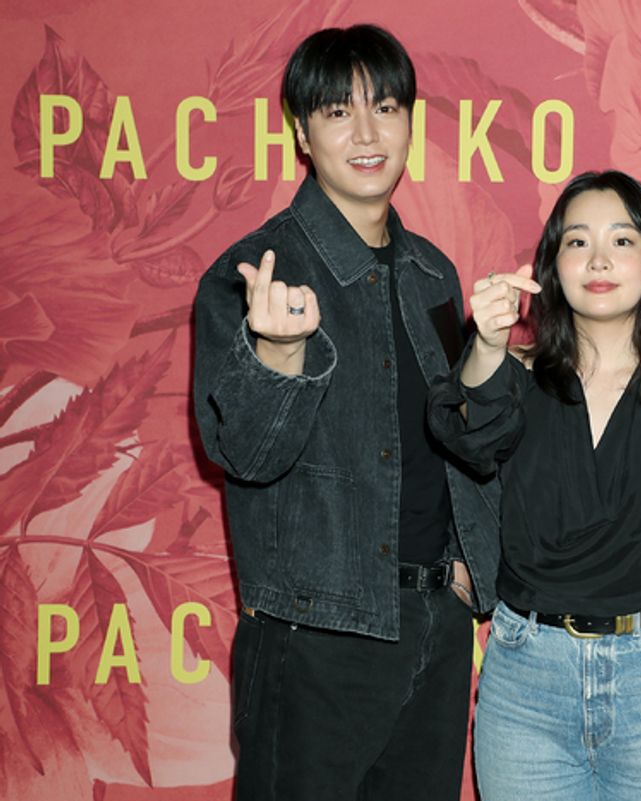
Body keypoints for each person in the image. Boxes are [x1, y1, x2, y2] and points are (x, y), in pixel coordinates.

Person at [192, 25, 498, 801]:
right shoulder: (253, 275)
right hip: (315, 637)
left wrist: (466, 559)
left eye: (386, 107)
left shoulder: (435, 272)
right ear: (301, 130)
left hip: (434, 626)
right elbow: (244, 455)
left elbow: (451, 435)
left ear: (410, 123)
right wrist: (281, 356)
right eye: (337, 112)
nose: (367, 134)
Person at [427, 170, 641, 801]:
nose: (597, 259)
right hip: (528, 675)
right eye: (576, 241)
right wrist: (484, 345)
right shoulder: (516, 372)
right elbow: (469, 443)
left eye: (622, 241)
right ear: (550, 264)